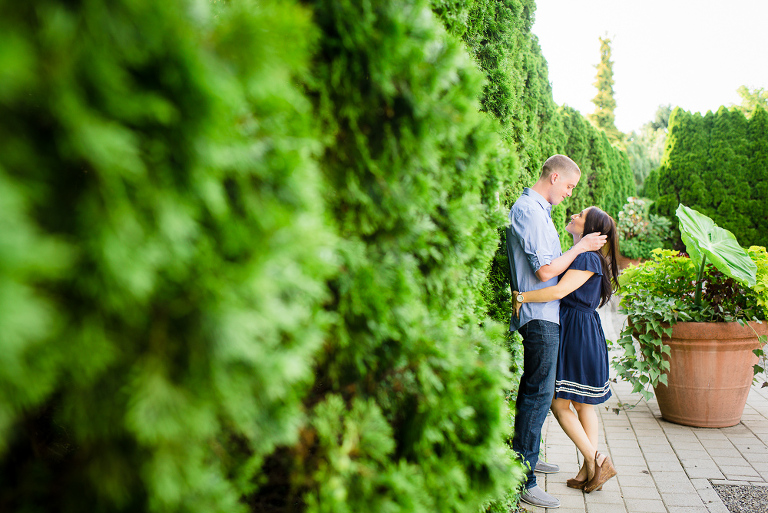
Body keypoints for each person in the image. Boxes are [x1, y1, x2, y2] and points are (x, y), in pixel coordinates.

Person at [505, 155, 607, 509]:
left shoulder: (541, 212)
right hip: (539, 316)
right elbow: (547, 272)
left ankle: (528, 460)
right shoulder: (530, 211)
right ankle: (524, 479)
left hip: (547, 314)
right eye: (569, 186)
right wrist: (580, 247)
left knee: (539, 394)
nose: (570, 193)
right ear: (554, 177)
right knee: (538, 396)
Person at [512, 206, 620, 495]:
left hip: (577, 333)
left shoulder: (587, 257)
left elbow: (559, 292)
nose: (574, 215)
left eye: (581, 215)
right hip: (584, 330)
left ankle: (597, 461)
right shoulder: (589, 257)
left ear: (591, 229)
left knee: (559, 405)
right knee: (583, 405)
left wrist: (523, 297)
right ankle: (589, 470)